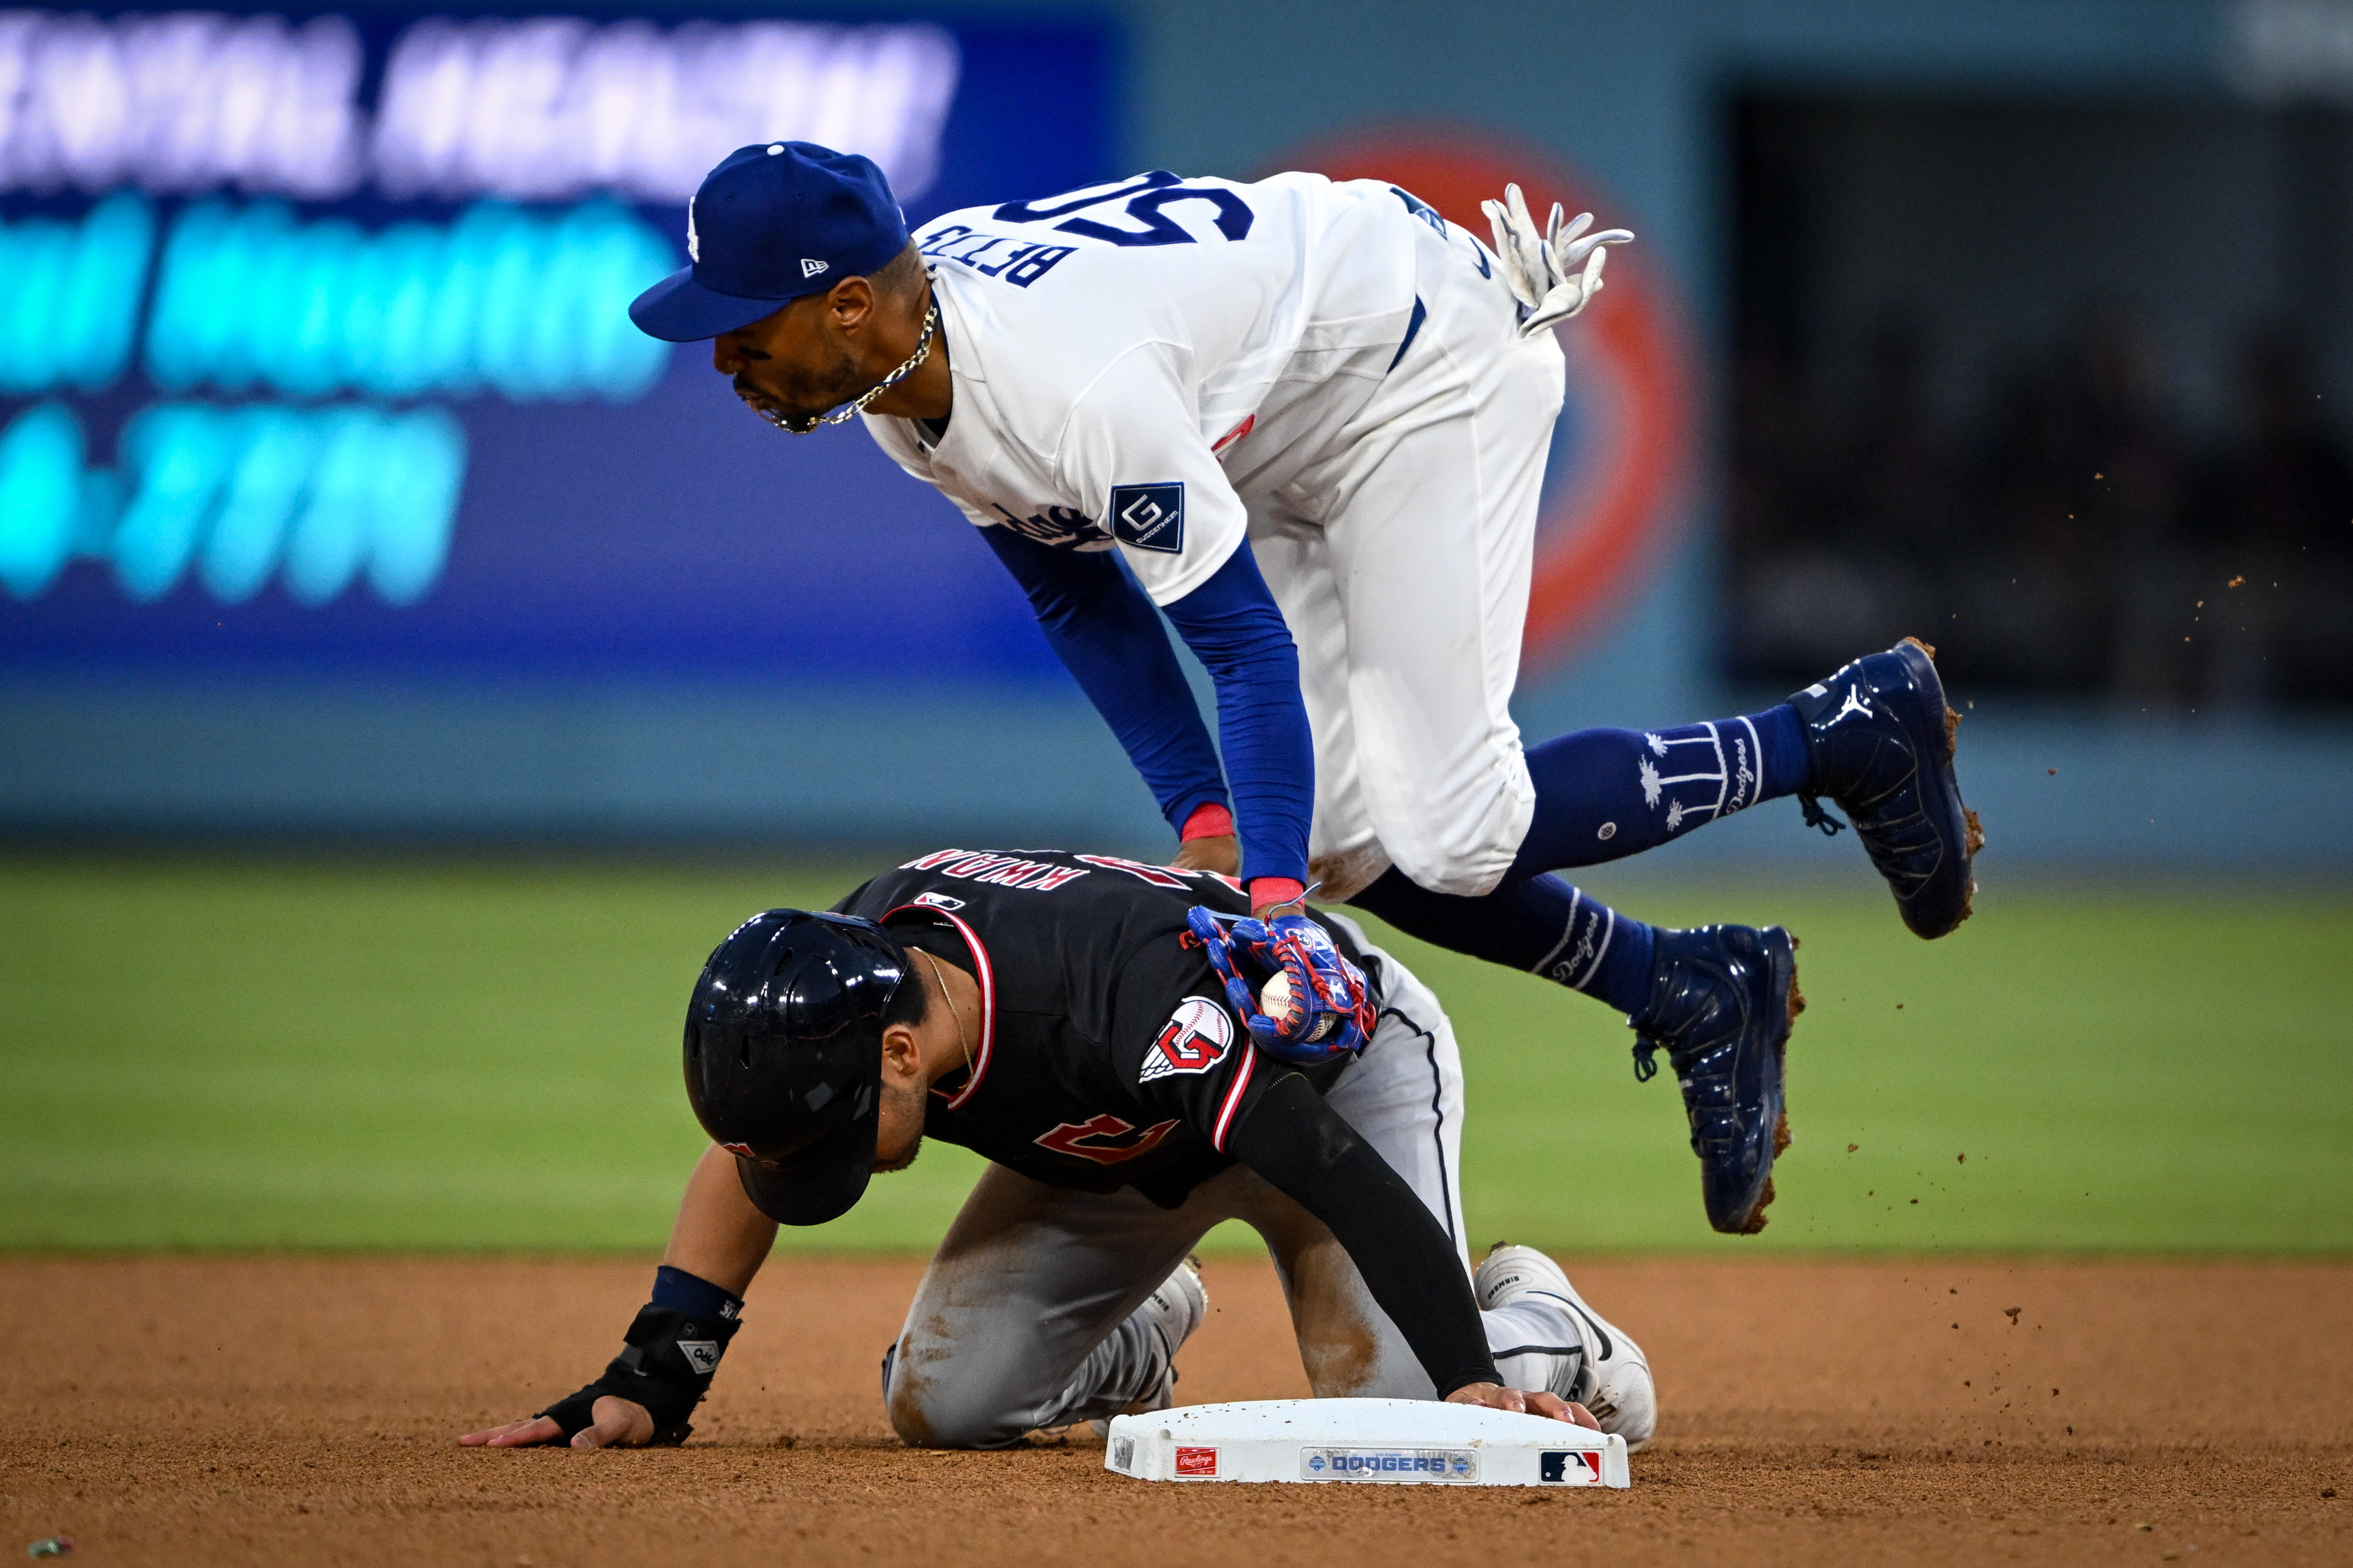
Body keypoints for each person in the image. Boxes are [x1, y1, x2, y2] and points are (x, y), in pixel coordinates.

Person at [624, 143, 1982, 1231]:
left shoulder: (1067, 386)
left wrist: (1261, 902)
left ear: (848, 302)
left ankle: (1844, 730)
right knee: (1331, 837)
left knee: (1450, 828)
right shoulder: (897, 384)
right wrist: (1211, 821)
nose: (726, 362)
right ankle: (1690, 985)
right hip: (1276, 416)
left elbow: (1241, 648)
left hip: (1413, 365)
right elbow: (1072, 591)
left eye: (744, 332)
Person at [459, 850, 1655, 1452]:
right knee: (942, 1401)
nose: (829, 1159)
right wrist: (655, 1375)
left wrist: (1461, 1374)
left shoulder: (1100, 1000)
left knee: (1415, 1416)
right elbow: (756, 1144)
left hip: (1330, 1087)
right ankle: (1143, 1329)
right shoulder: (860, 968)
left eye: (833, 1135)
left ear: (892, 1055)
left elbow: (1322, 1164)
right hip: (1121, 1129)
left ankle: (1542, 1323)